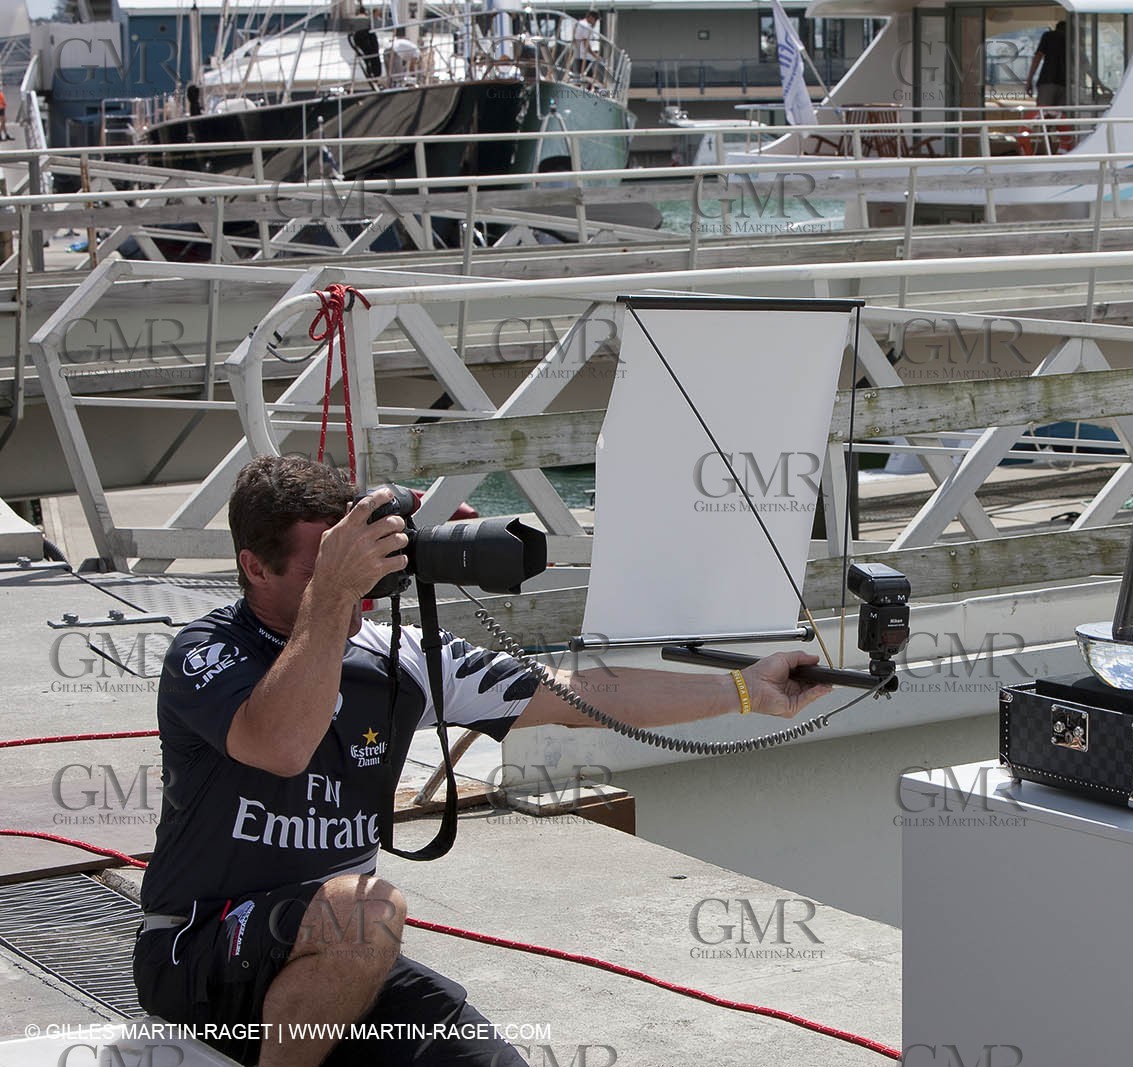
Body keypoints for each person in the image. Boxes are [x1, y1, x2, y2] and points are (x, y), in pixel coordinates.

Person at [132, 455, 831, 1067]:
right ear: (256, 566)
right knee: (367, 910)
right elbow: (281, 744)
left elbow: (576, 692)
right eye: (326, 568)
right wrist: (335, 594)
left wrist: (743, 688)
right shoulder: (209, 652)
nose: (355, 587)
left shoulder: (393, 654)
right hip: (199, 950)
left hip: (326, 963)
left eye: (360, 566)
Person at [1024, 20, 1068, 108]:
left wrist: (1029, 80)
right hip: (1066, 82)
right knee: (1062, 116)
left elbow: (1038, 57)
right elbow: (1084, 63)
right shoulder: (1071, 38)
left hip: (1047, 80)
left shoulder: (1048, 36)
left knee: (1043, 114)